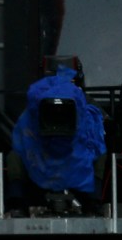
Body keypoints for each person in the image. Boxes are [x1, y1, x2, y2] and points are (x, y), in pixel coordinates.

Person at [6, 65, 106, 218]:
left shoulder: (86, 101)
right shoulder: (37, 100)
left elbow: (102, 121)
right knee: (15, 155)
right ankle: (17, 205)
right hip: (44, 150)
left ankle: (93, 204)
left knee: (100, 153)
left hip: (75, 150)